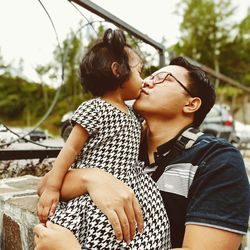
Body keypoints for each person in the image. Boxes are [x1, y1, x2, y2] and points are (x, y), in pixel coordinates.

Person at [36, 56, 250, 250]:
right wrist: (91, 178)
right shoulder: (123, 141)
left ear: (191, 104)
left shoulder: (216, 159)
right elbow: (46, 186)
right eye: (148, 76)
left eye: (163, 79)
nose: (147, 82)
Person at [37, 28, 170, 249]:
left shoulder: (133, 113)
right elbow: (69, 151)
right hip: (96, 189)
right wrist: (52, 187)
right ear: (118, 71)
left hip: (131, 183)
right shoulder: (95, 109)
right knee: (103, 226)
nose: (144, 79)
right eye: (139, 72)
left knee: (137, 226)